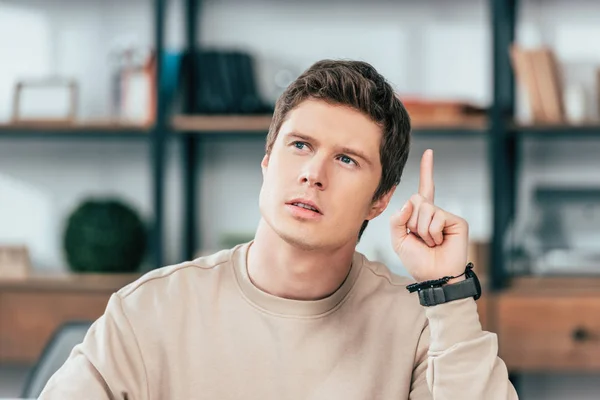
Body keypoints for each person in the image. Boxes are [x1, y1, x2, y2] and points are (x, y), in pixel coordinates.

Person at [40, 60, 517, 399]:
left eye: (347, 159)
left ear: (381, 199)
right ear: (267, 162)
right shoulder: (149, 311)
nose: (313, 172)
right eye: (300, 145)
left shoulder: (418, 322)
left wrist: (450, 292)